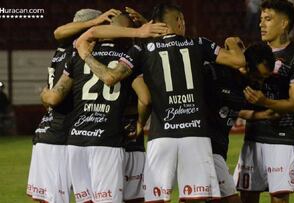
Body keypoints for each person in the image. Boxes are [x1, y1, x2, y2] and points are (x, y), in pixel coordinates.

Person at [76, 3, 246, 202]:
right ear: (179, 21)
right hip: (195, 134)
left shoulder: (142, 48)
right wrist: (231, 41)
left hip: (161, 135)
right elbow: (239, 61)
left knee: (155, 199)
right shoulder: (199, 43)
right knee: (196, 198)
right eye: (181, 19)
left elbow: (110, 77)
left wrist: (85, 54)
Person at [40, 13, 157, 202]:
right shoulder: (128, 58)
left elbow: (55, 96)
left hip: (76, 141)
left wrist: (44, 94)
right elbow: (145, 99)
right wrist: (140, 123)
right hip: (108, 140)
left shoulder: (79, 54)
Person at [233, 1, 294, 203]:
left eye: (268, 19)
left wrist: (265, 101)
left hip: (283, 138)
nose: (261, 25)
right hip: (253, 136)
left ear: (284, 23)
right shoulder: (254, 54)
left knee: (278, 198)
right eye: (261, 20)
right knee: (247, 196)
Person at [26, 9, 104, 203]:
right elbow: (53, 99)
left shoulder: (61, 50)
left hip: (56, 134)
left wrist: (45, 95)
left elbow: (50, 98)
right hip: (61, 137)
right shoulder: (78, 55)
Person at [204, 42, 278, 203]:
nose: (260, 82)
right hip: (206, 147)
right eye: (258, 76)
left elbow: (235, 110)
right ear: (247, 66)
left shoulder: (246, 86)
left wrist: (264, 114)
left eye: (264, 78)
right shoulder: (217, 72)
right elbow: (231, 40)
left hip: (219, 148)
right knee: (232, 200)